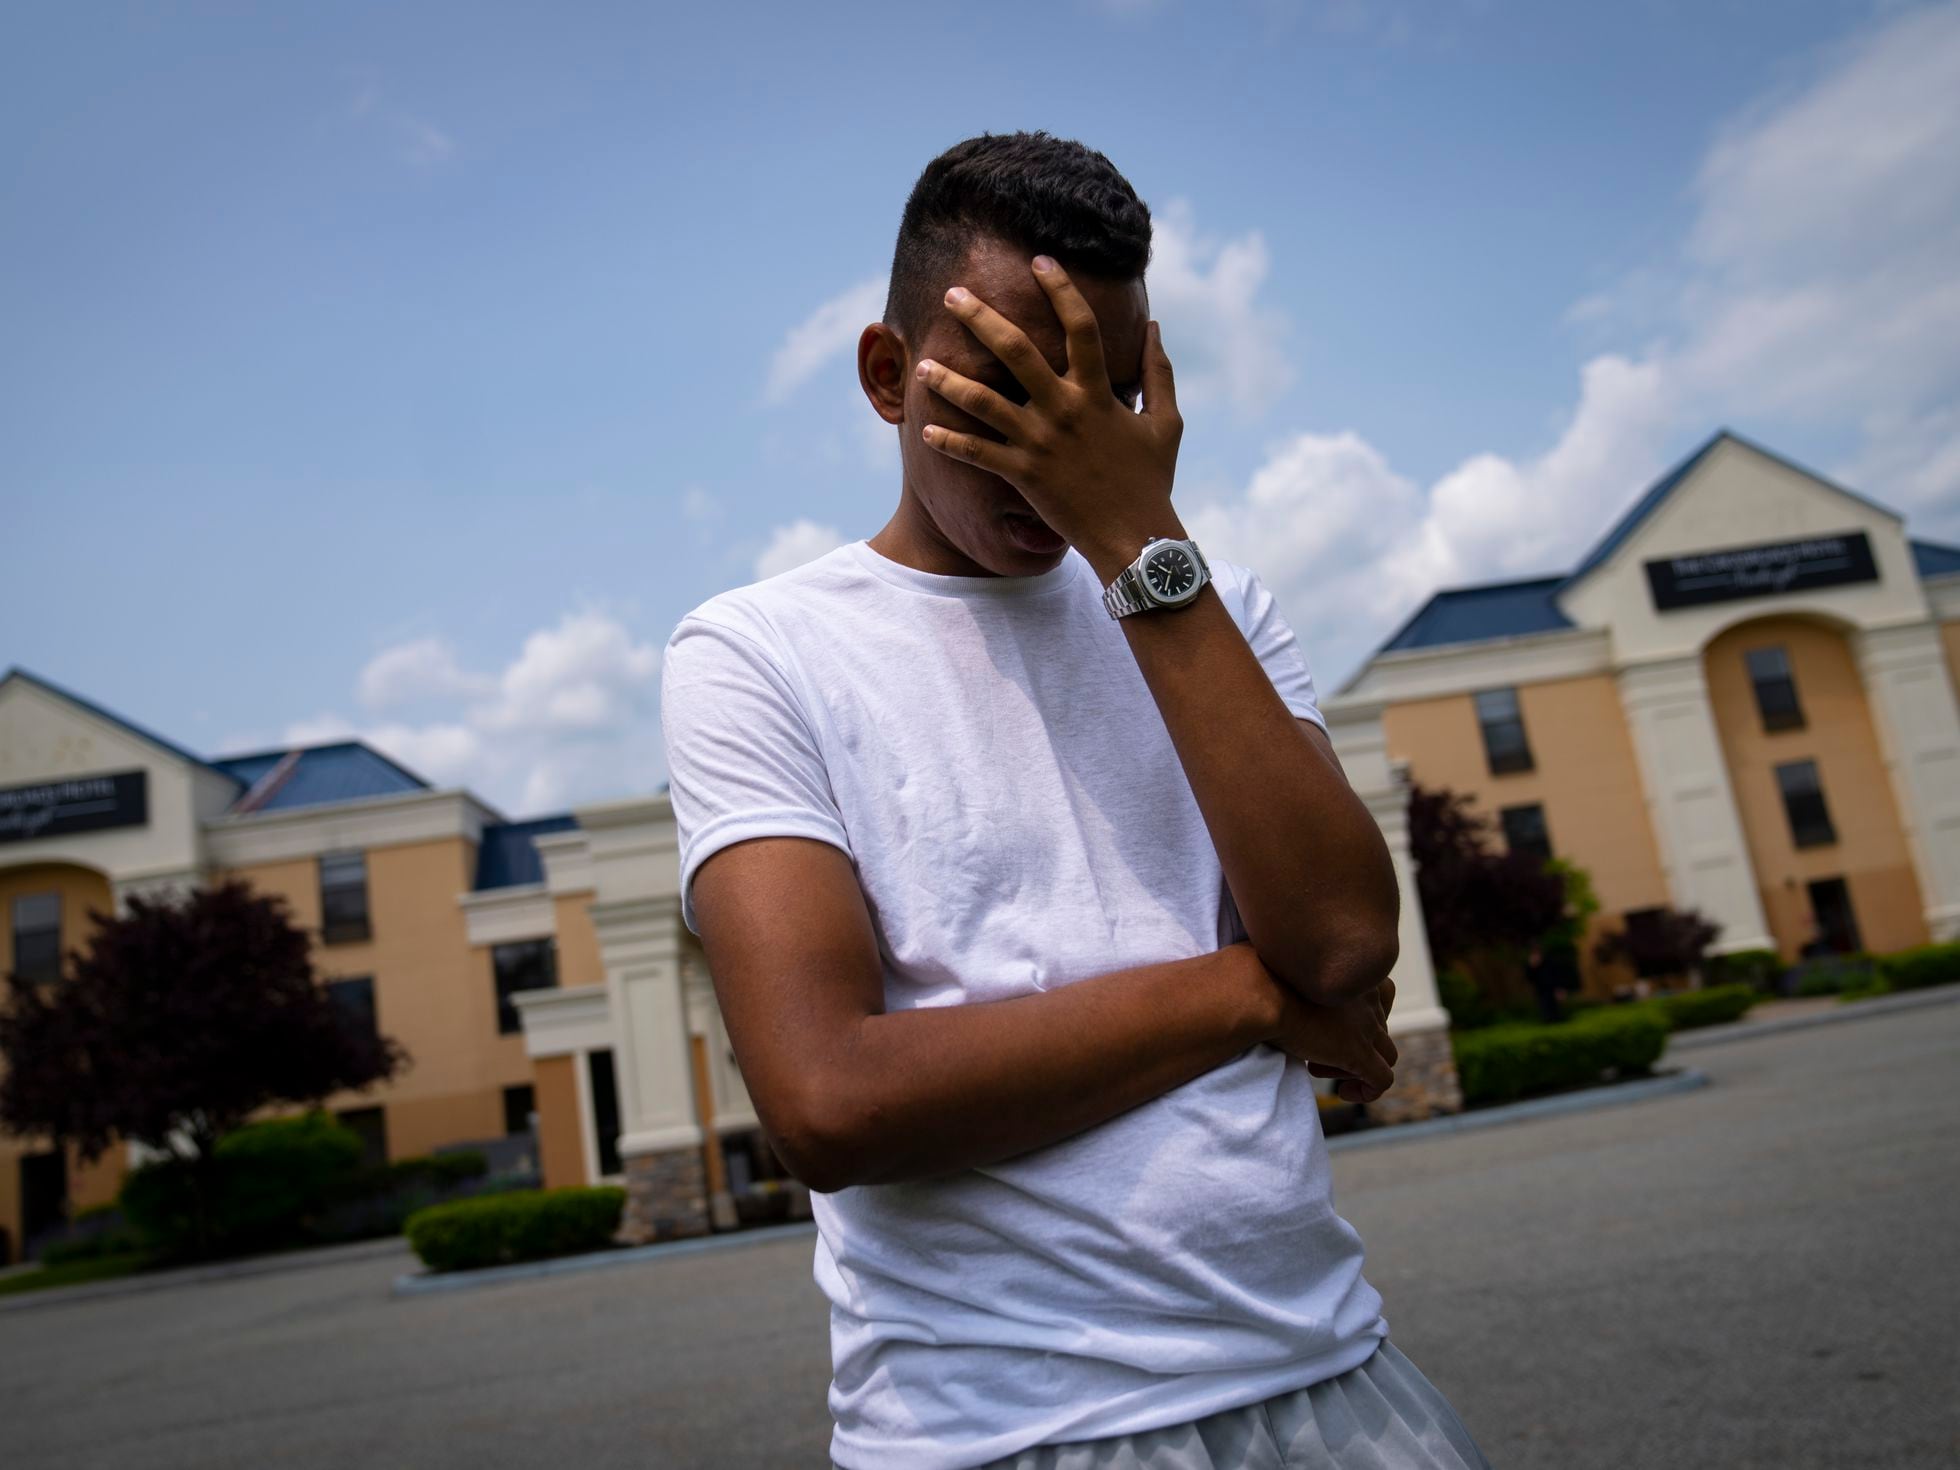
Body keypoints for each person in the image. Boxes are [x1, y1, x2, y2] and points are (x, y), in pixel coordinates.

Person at [661, 130, 1493, 1470]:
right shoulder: (759, 654)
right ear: (889, 376)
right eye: (1010, 393)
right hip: (1004, 1433)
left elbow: (1343, 938)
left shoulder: (1211, 610)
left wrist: (1138, 543)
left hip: (1335, 1374)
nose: (1055, 448)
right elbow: (828, 1098)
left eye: (1096, 398)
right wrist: (1249, 998)